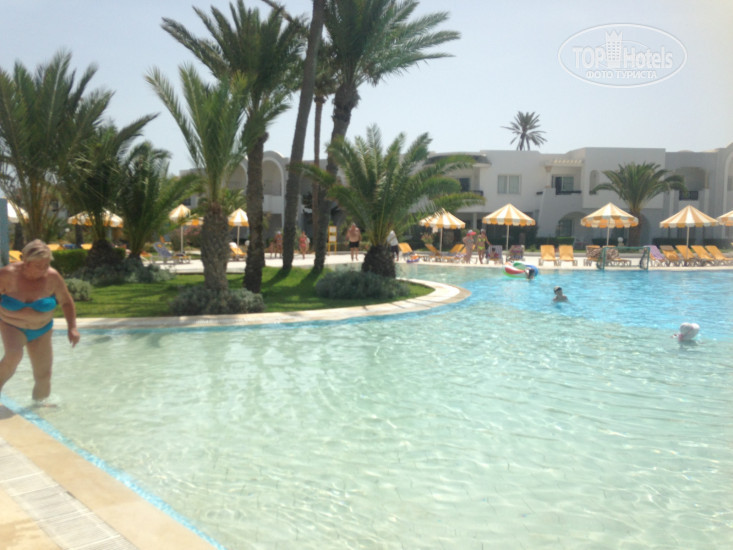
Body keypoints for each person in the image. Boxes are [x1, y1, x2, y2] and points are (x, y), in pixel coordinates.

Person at [0, 239, 80, 402]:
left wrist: (72, 328)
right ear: (26, 262)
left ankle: (40, 407)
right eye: (39, 265)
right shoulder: (7, 275)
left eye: (47, 264)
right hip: (12, 325)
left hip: (42, 330)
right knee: (14, 355)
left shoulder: (52, 277)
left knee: (43, 374)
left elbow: (66, 302)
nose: (44, 269)